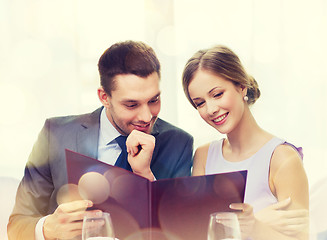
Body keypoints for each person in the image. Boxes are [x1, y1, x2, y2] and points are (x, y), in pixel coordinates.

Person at [8, 40, 193, 240]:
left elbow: (180, 231)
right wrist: (46, 228)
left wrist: (145, 175)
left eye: (154, 100)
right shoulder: (55, 135)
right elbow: (17, 224)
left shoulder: (178, 143)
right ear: (104, 97)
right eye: (131, 104)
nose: (147, 116)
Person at [182, 45, 309, 239]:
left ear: (242, 86)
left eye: (217, 94)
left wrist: (255, 226)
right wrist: (261, 219)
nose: (211, 109)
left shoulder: (282, 158)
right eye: (200, 103)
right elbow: (196, 233)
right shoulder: (203, 156)